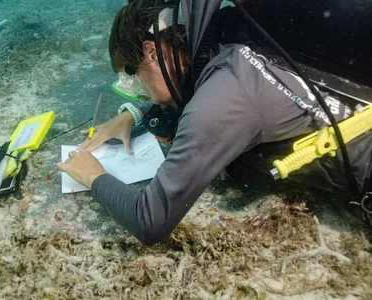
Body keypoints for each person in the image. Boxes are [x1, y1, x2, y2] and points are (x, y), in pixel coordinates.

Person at [58, 0, 372, 245]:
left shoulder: (218, 103)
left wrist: (94, 176)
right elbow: (183, 89)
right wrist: (133, 114)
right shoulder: (222, 30)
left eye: (134, 81)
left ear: (151, 53)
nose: (143, 93)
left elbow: (149, 221)